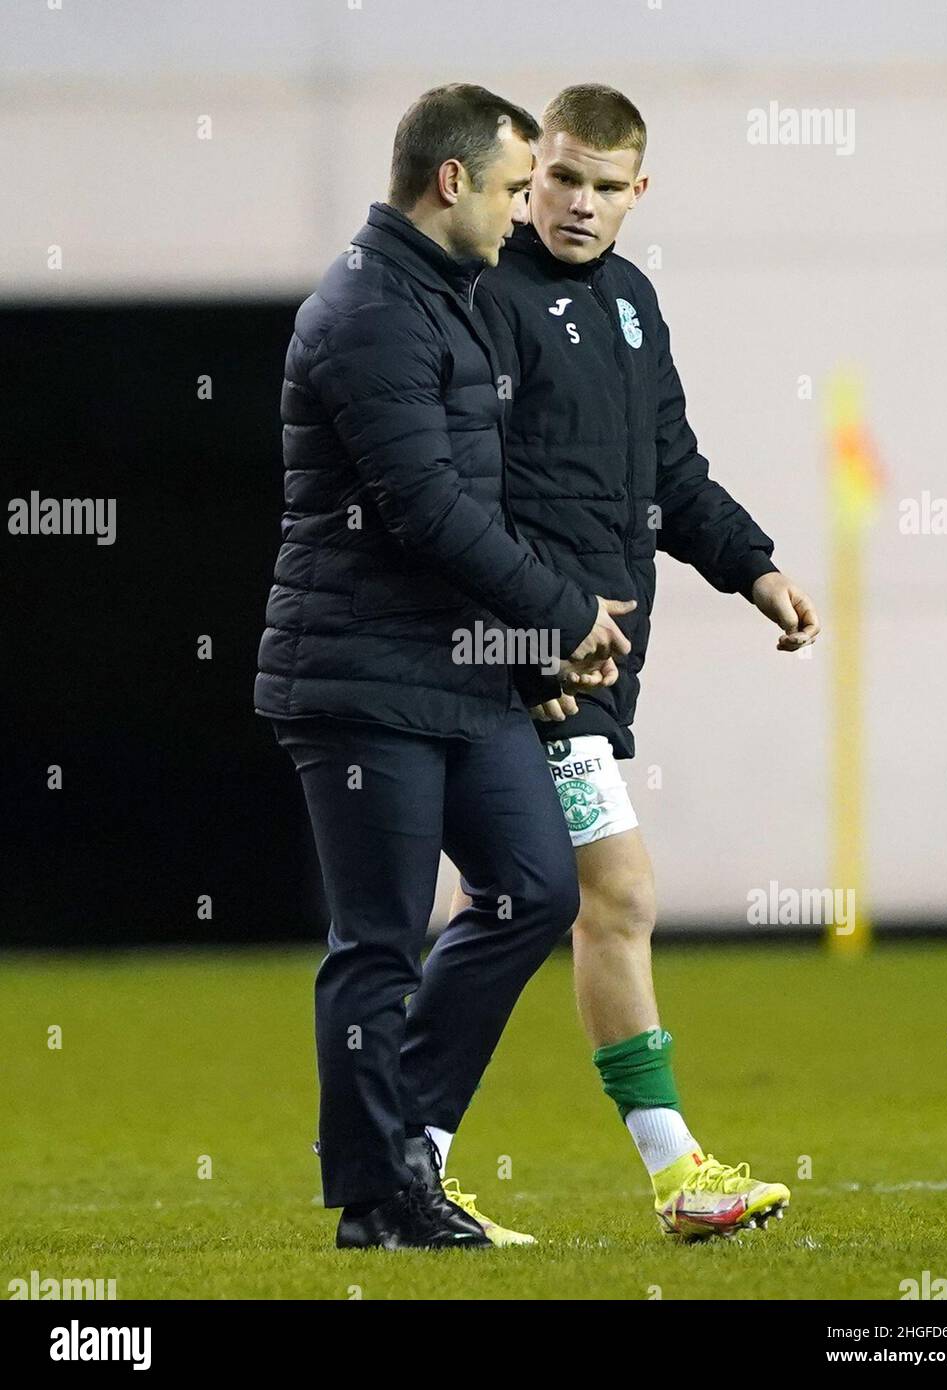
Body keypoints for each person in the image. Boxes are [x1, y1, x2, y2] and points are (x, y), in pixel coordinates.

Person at [427, 85, 822, 1244]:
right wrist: (530, 638)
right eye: (561, 179)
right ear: (529, 174)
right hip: (524, 665)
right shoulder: (485, 296)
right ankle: (671, 1171)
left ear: (639, 193)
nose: (581, 205)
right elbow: (461, 496)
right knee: (615, 895)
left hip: (595, 664)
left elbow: (672, 471)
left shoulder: (634, 305)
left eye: (607, 187)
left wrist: (755, 570)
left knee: (532, 901)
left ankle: (414, 1148)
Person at [254, 83, 635, 1250]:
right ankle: (381, 1202)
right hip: (362, 674)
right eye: (522, 187)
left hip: (457, 668)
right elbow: (423, 510)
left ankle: (400, 1148)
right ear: (452, 182)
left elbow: (477, 506)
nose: (531, 211)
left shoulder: (450, 297)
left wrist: (524, 652)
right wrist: (562, 614)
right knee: (379, 940)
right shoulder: (369, 308)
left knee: (536, 887)